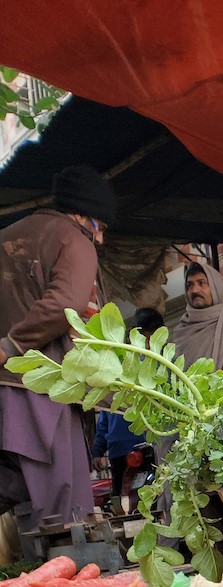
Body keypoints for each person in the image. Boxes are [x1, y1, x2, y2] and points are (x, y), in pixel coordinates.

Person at [0, 165, 116, 532]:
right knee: (63, 508)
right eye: (102, 227)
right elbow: (64, 303)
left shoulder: (7, 235)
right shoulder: (74, 239)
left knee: (14, 482)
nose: (100, 240)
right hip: (41, 382)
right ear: (83, 213)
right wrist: (12, 344)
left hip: (6, 385)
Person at [91, 308, 163, 496]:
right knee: (148, 499)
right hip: (140, 447)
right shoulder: (160, 367)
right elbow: (106, 411)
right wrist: (98, 449)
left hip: (130, 448)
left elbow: (105, 413)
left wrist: (98, 450)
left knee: (127, 501)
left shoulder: (120, 365)